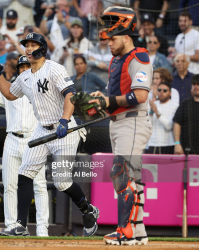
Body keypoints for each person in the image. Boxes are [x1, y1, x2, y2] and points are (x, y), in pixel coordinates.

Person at [0, 32, 98, 237]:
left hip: (64, 128)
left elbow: (70, 94)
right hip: (42, 128)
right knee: (25, 173)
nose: (28, 48)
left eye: (32, 44)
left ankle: (87, 210)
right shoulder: (24, 76)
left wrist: (65, 120)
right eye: (26, 45)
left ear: (42, 48)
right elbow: (10, 94)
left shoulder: (54, 68)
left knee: (61, 182)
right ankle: (21, 226)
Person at [91, 7, 153, 245]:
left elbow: (139, 96)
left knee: (120, 173)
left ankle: (124, 230)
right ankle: (137, 231)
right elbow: (116, 95)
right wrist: (101, 99)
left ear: (126, 36)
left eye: (113, 37)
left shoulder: (140, 57)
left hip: (134, 121)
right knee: (132, 179)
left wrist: (108, 101)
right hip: (119, 122)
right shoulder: (117, 60)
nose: (108, 40)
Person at [0, 55, 50, 236]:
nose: (24, 69)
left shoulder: (43, 87)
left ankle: (42, 229)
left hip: (35, 139)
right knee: (10, 185)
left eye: (27, 66)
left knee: (39, 185)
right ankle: (11, 225)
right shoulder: (8, 89)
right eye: (21, 67)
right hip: (12, 139)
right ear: (17, 70)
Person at [147, 82, 179, 154]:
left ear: (170, 93)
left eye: (164, 90)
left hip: (168, 144)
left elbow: (169, 126)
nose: (161, 92)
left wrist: (157, 112)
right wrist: (151, 112)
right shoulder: (153, 105)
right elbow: (148, 126)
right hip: (152, 144)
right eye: (159, 90)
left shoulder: (175, 106)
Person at [173, 74, 199, 155]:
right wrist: (177, 143)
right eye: (194, 84)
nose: (196, 86)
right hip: (187, 150)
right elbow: (177, 123)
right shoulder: (185, 104)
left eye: (198, 84)